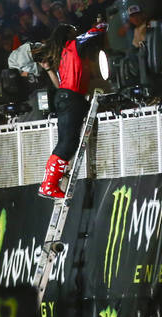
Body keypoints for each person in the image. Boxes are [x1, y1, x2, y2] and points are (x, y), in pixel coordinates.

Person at [31, 22, 106, 199]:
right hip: (71, 98)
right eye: (74, 31)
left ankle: (49, 183)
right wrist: (105, 23)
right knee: (67, 144)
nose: (77, 32)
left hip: (66, 96)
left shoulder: (62, 53)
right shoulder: (74, 45)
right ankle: (48, 184)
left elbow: (59, 84)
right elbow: (95, 31)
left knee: (67, 142)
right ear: (68, 35)